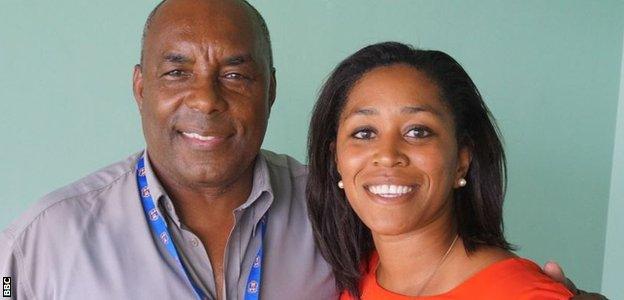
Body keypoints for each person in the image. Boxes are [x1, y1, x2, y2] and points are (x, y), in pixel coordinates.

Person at [0, 0, 601, 299]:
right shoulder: (43, 240)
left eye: (236, 74)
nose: (206, 101)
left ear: (271, 90)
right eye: (176, 73)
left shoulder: (339, 210)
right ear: (140, 88)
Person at [306, 42, 578, 299]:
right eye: (364, 132)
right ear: (336, 160)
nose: (388, 155)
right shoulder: (346, 280)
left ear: (462, 158)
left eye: (418, 131)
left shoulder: (524, 293)